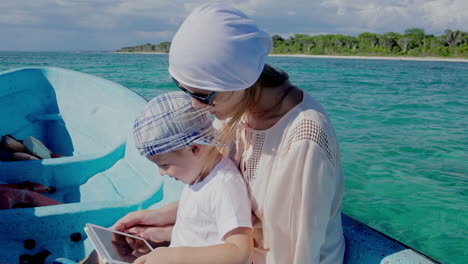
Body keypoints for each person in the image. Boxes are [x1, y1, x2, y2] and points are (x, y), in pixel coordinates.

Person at [114, 3, 345, 264]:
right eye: (184, 89)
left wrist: (177, 253)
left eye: (202, 95)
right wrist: (160, 220)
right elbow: (224, 197)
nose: (195, 105)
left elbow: (290, 255)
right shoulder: (235, 110)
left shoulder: (303, 140)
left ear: (238, 81)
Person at [117, 91, 252, 263]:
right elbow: (201, 217)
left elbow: (240, 253)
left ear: (194, 149)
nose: (162, 173)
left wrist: (172, 256)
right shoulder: (201, 175)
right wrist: (158, 221)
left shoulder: (225, 185)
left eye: (164, 165)